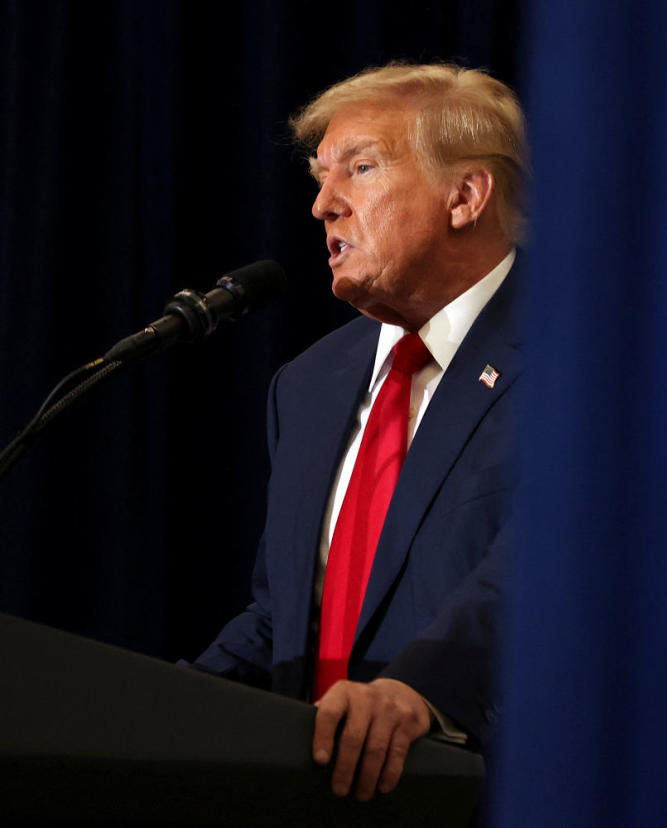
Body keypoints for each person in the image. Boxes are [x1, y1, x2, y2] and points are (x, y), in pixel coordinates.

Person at [190, 62, 527, 802]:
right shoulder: (308, 385)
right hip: (311, 795)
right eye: (319, 177)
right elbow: (282, 612)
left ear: (465, 196)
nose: (322, 206)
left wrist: (417, 692)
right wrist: (160, 710)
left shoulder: (581, 360)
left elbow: (544, 568)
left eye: (360, 168)